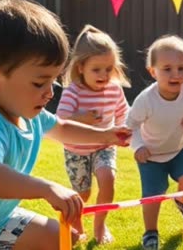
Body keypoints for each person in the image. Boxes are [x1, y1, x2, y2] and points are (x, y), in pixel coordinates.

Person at [0, 0, 131, 250]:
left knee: (62, 239)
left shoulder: (25, 112)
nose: (50, 92)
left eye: (52, 81)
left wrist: (105, 136)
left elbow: (62, 128)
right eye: (39, 82)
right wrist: (46, 188)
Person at [126, 35, 183, 250]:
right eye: (167, 69)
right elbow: (130, 126)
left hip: (181, 148)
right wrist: (138, 147)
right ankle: (151, 232)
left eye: (181, 68)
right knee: (153, 197)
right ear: (152, 71)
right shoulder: (146, 99)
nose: (176, 74)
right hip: (151, 155)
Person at [55, 24, 130, 244]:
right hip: (76, 149)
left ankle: (99, 225)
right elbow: (61, 118)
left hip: (104, 146)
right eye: (96, 70)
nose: (104, 75)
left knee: (108, 178)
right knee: (83, 194)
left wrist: (123, 130)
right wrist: (82, 118)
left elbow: (123, 113)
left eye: (109, 69)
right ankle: (77, 226)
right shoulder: (73, 92)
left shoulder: (114, 90)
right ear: (80, 68)